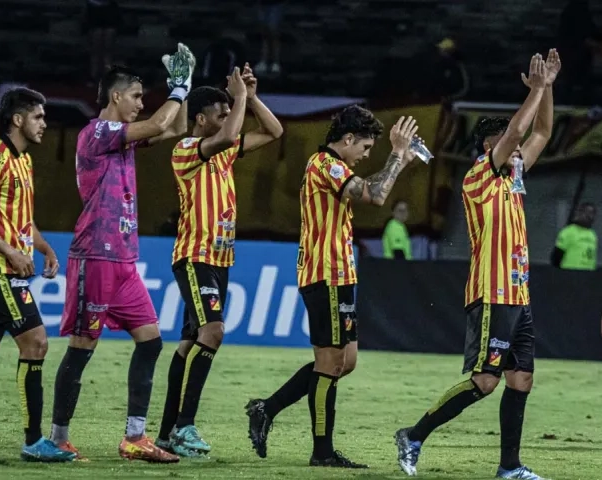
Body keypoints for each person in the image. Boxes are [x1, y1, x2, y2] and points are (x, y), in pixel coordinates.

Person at [394, 50, 560, 480]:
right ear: (491, 146)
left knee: (520, 380)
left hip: (519, 296)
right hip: (492, 293)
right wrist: (535, 90)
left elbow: (542, 129)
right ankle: (413, 435)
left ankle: (510, 467)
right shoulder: (478, 176)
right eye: (511, 143)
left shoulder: (513, 177)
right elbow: (522, 129)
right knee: (485, 381)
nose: (521, 149)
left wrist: (549, 89)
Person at [245, 106, 423, 468]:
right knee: (329, 362)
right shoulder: (324, 164)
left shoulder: (337, 169)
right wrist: (395, 154)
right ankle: (322, 452)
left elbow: (372, 187)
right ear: (347, 139)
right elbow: (374, 195)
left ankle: (267, 408)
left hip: (340, 275)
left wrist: (401, 158)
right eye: (365, 147)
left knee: (346, 361)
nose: (366, 154)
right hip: (323, 273)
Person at [48, 45, 196, 463]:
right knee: (81, 348)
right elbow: (158, 122)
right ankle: (57, 439)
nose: (141, 104)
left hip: (125, 261)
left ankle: (135, 438)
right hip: (94, 255)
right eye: (136, 96)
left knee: (150, 343)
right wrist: (179, 89)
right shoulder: (96, 133)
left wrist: (178, 91)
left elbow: (173, 128)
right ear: (116, 96)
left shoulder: (124, 141)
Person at [155, 63, 283, 457]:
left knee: (190, 342)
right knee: (214, 332)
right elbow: (230, 135)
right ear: (200, 119)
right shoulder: (186, 150)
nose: (229, 118)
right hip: (195, 257)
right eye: (221, 112)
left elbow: (275, 132)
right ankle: (185, 426)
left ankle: (165, 433)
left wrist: (252, 95)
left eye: (230, 112)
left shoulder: (223, 154)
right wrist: (239, 96)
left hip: (219, 259)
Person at [0, 88, 74, 462]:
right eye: (38, 117)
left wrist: (45, 248)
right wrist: (9, 251)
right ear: (17, 120)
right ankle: (34, 440)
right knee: (35, 343)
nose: (44, 124)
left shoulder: (22, 160)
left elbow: (20, 219)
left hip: (4, 267)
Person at [551, 202, 597, 270]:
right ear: (579, 213)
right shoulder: (568, 232)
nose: (590, 217)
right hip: (570, 274)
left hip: (588, 275)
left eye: (592, 214)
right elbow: (556, 257)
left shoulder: (592, 234)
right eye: (587, 213)